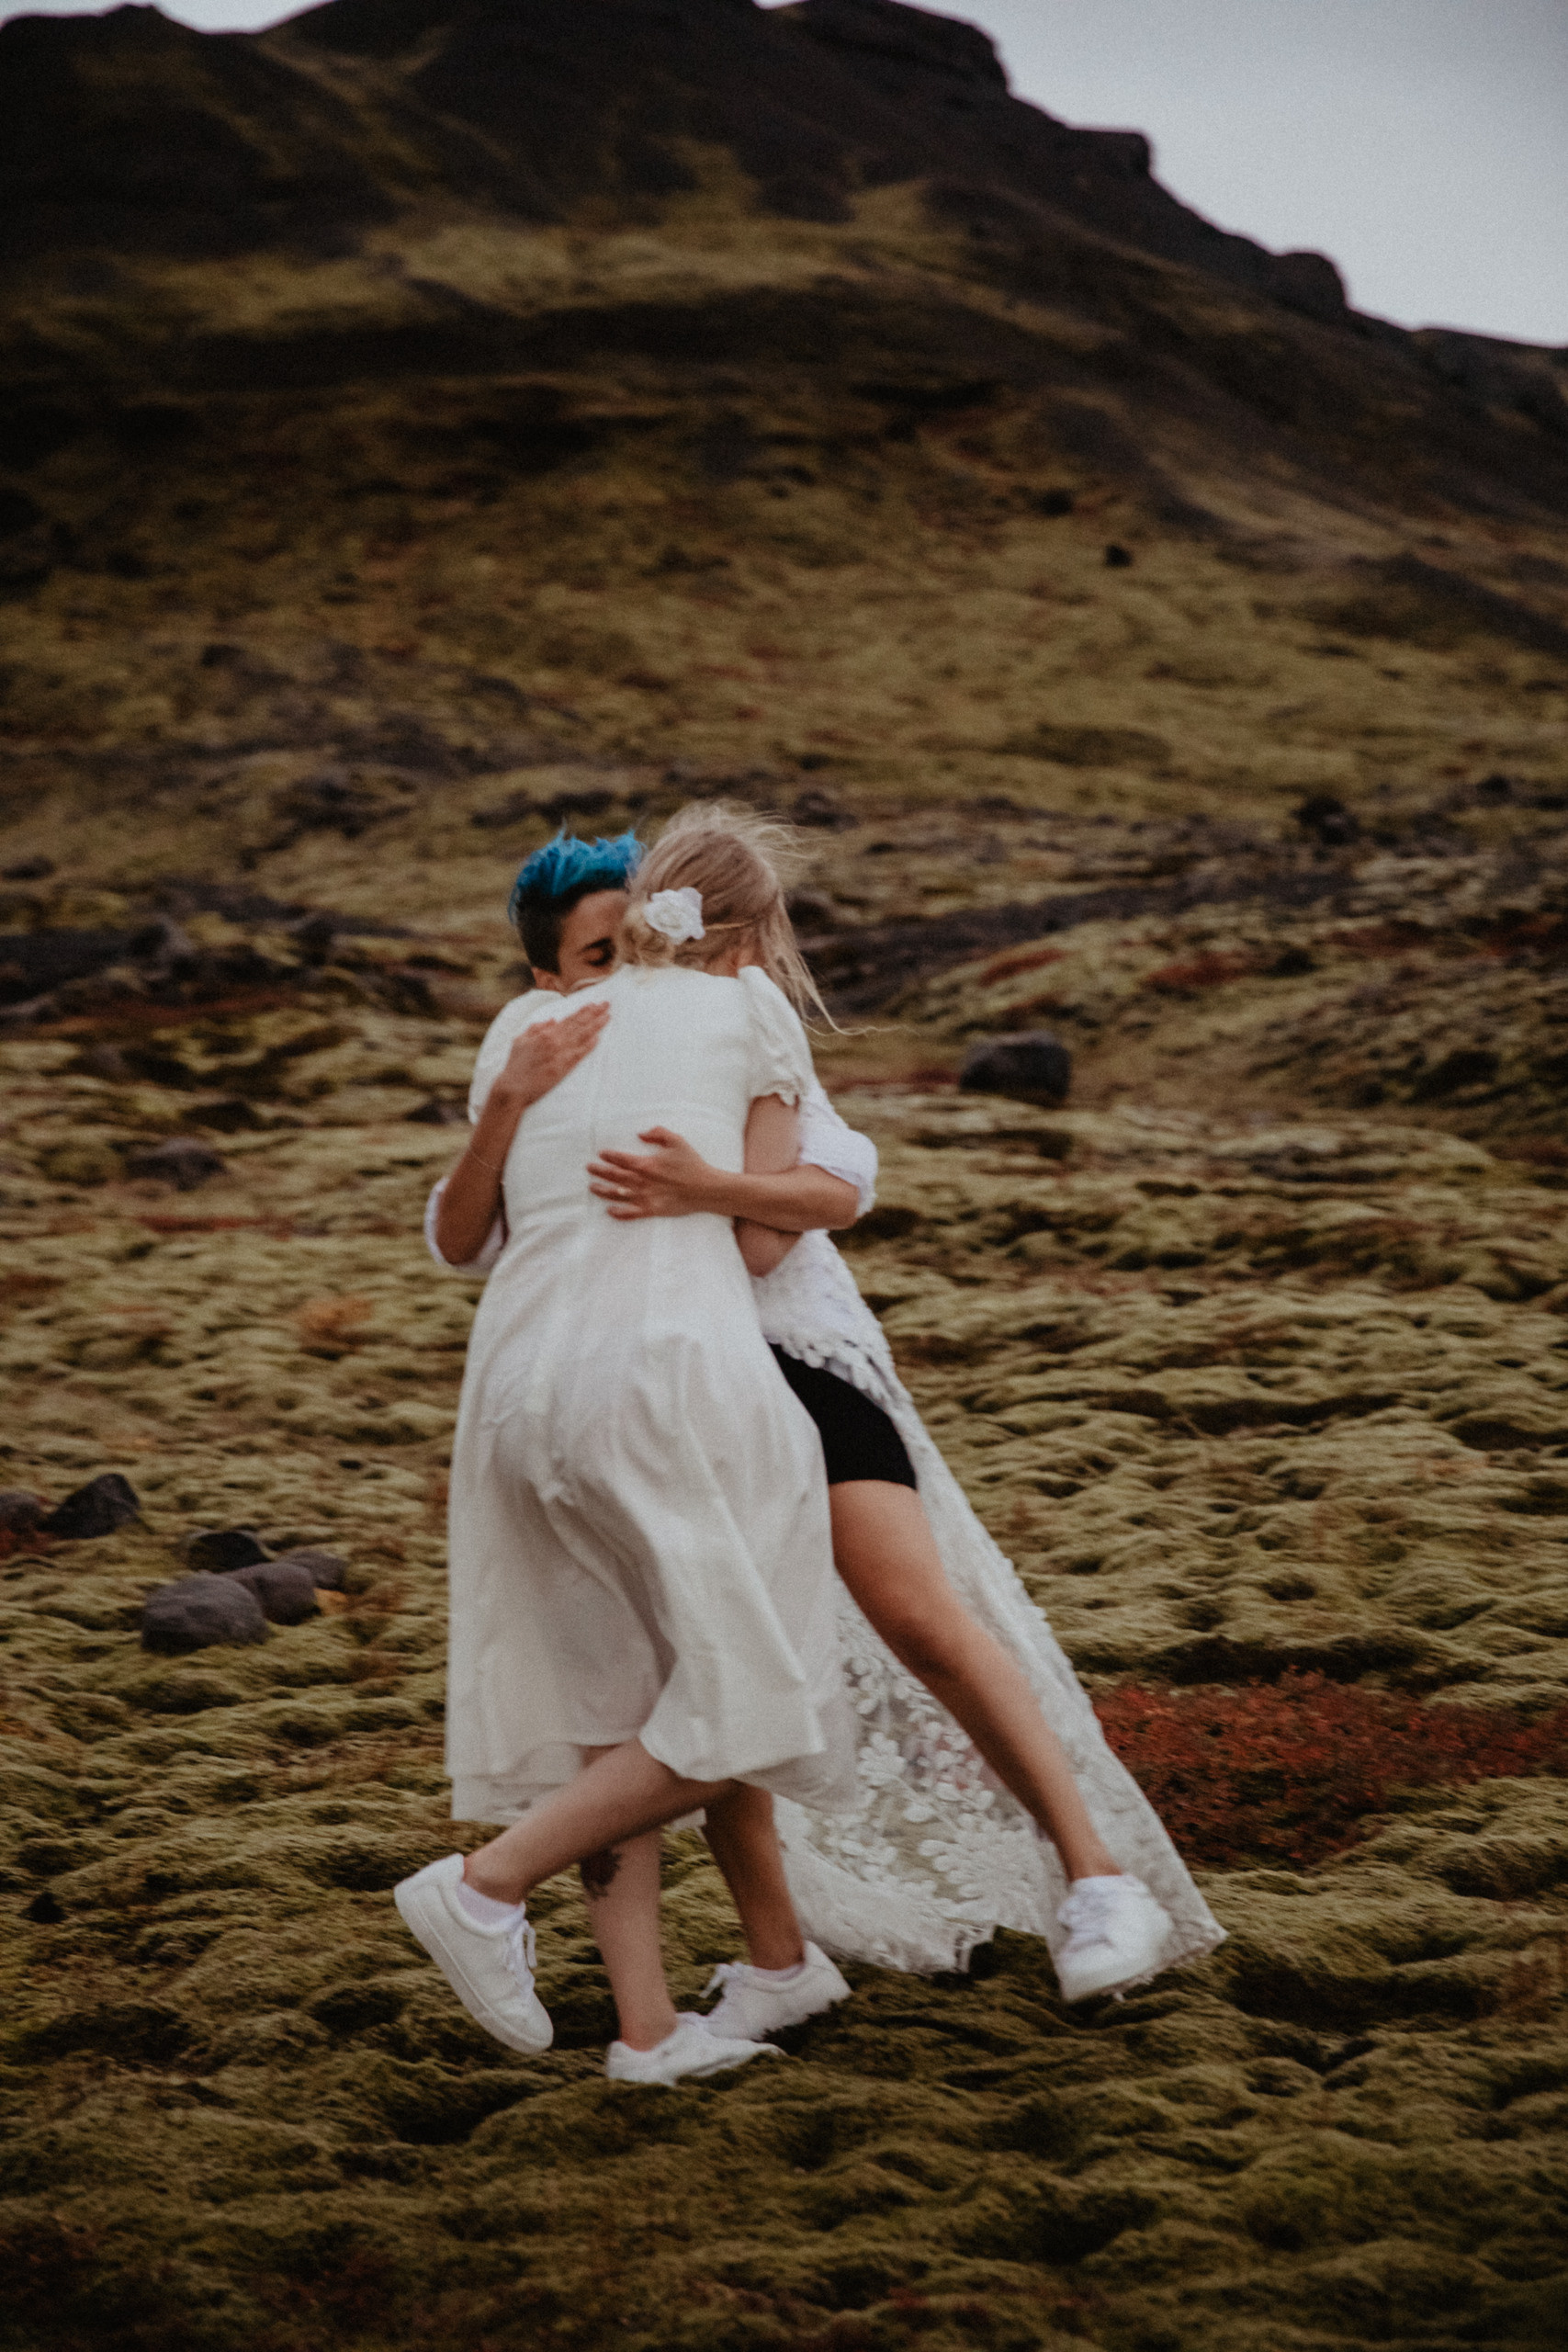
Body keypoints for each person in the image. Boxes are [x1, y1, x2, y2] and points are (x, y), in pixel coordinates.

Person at [428, 822, 1222, 2053]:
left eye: (623, 944)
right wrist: (526, 1105)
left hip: (790, 1360)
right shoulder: (549, 1061)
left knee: (915, 1616)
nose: (611, 978)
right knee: (696, 1673)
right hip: (649, 1382)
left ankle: (1093, 1876)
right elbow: (472, 1237)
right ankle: (776, 1959)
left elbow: (835, 1183)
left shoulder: (729, 1026)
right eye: (590, 957)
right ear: (551, 974)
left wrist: (711, 1189)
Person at [397, 811, 865, 2086]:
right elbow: (772, 1243)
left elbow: (475, 1233)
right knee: (750, 1696)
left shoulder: (518, 1032)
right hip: (667, 1380)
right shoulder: (752, 1010)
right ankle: (485, 1887)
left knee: (618, 1713)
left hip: (510, 1392)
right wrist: (714, 1188)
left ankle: (657, 2031)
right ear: (753, 931)